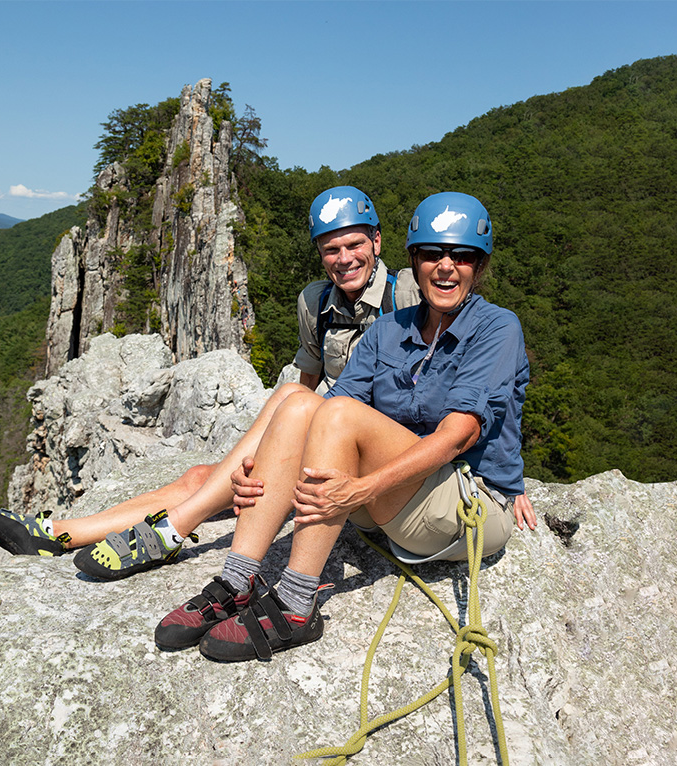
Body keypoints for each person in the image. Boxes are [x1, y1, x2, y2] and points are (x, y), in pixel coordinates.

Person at [0, 186, 457, 576]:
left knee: (263, 431)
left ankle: (174, 530)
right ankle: (58, 532)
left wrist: (501, 475)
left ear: (376, 242)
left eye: (354, 245)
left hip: (382, 457)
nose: (344, 258)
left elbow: (473, 367)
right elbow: (308, 384)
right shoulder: (315, 303)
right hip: (323, 438)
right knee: (211, 475)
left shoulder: (410, 292)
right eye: (331, 249)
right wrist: (262, 458)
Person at [151, 191, 536, 662]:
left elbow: (460, 435)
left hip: (462, 506)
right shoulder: (387, 331)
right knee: (298, 402)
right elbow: (317, 416)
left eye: (462, 256)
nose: (446, 266)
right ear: (414, 260)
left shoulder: (497, 327)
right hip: (396, 498)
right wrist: (259, 474)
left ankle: (294, 602)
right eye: (432, 254)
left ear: (480, 266)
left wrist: (361, 489)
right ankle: (237, 578)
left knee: (333, 413)